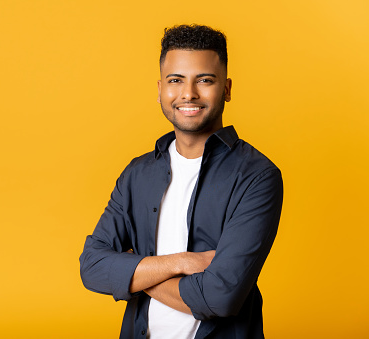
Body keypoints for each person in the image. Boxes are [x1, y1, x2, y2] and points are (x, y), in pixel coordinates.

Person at [79, 24, 283, 339]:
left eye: (205, 80)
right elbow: (91, 267)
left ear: (226, 89)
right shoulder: (138, 173)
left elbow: (220, 297)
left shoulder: (257, 177)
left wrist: (135, 271)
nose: (188, 93)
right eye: (176, 80)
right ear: (160, 89)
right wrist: (182, 262)